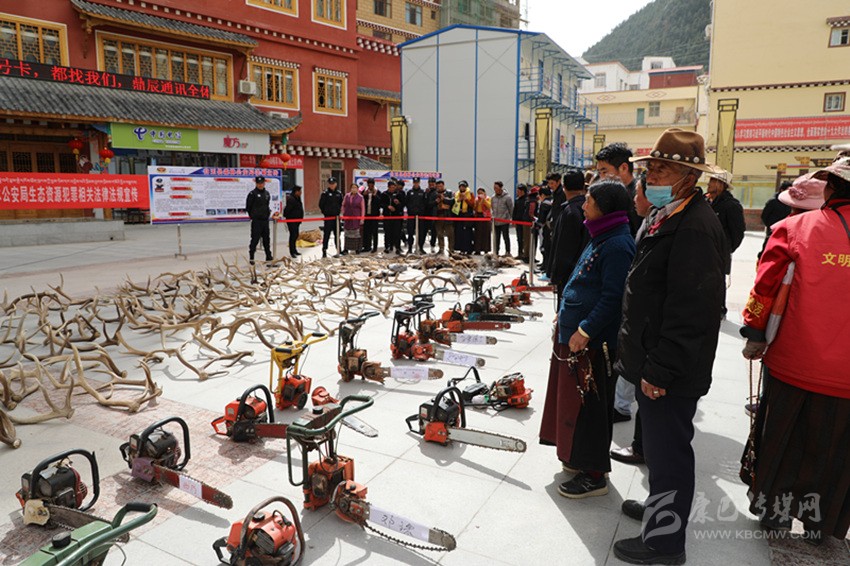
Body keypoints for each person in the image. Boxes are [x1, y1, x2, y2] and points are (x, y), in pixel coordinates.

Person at [613, 128, 726, 565]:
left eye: (662, 170)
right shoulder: (668, 214)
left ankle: (664, 543)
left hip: (671, 368)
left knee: (670, 453)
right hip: (654, 357)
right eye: (651, 169)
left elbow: (691, 310)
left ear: (688, 177)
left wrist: (661, 369)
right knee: (659, 453)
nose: (652, 177)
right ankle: (659, 509)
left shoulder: (695, 227)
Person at [739, 157, 850, 546]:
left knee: (784, 438)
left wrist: (754, 332)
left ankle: (777, 513)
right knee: (837, 449)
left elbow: (765, 287)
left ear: (830, 188)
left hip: (794, 360)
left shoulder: (794, 227)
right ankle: (823, 523)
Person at [539, 180, 636, 499]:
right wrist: (563, 314)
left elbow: (613, 298)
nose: (583, 205)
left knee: (591, 408)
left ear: (605, 208)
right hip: (577, 337)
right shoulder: (601, 234)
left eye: (590, 201)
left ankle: (594, 475)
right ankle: (577, 458)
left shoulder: (617, 245)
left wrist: (585, 330)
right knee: (574, 404)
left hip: (594, 344)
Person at [706, 166, 746, 318]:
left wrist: (727, 247)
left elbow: (738, 232)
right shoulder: (707, 201)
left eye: (712, 181)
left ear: (720, 184)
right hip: (704, 249)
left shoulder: (731, 205)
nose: (709, 184)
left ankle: (719, 309)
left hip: (719, 251)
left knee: (717, 281)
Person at [548, 170, 590, 304]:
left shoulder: (570, 212)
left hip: (569, 274)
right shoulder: (587, 207)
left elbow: (564, 248)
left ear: (564, 187)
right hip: (584, 271)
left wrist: (555, 276)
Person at [596, 142, 642, 236]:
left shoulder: (639, 195)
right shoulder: (608, 194)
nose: (602, 178)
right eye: (599, 173)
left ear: (624, 168)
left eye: (605, 172)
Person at [245, 175, 275, 264]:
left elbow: (267, 205)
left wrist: (267, 214)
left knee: (266, 239)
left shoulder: (267, 193)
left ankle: (268, 256)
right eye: (258, 183)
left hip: (265, 220)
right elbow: (248, 207)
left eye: (261, 183)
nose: (260, 185)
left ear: (264, 183)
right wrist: (253, 216)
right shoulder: (252, 194)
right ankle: (251, 257)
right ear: (256, 183)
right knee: (255, 239)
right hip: (256, 221)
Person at [758, 181, 791, 259]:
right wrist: (770, 225)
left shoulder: (790, 203)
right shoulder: (773, 202)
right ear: (782, 190)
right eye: (788, 190)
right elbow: (764, 216)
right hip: (772, 230)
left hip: (786, 230)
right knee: (768, 247)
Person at [319, 177, 342, 258]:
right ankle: (324, 250)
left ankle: (339, 250)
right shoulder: (325, 193)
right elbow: (321, 204)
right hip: (328, 217)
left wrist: (338, 211)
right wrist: (325, 212)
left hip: (336, 217)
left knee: (337, 234)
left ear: (336, 184)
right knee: (327, 235)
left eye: (333, 184)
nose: (332, 185)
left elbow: (341, 203)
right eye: (330, 184)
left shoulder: (339, 193)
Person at [534, 186, 553, 279]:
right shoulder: (553, 201)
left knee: (545, 247)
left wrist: (537, 226)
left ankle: (546, 268)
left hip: (546, 228)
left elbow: (541, 219)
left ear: (542, 195)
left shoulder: (544, 204)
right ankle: (545, 265)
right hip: (552, 228)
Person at [405, 176, 428, 254]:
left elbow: (425, 204)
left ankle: (420, 248)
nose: (416, 184)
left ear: (419, 182)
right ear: (413, 183)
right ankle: (410, 248)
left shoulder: (422, 192)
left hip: (420, 216)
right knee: (410, 233)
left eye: (417, 182)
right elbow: (407, 203)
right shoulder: (409, 192)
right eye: (414, 182)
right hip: (411, 216)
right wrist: (411, 210)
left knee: (421, 233)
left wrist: (420, 211)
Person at [382, 179, 405, 254]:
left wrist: (398, 203)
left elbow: (402, 205)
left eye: (394, 187)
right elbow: (381, 204)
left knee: (397, 232)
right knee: (387, 232)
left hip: (396, 216)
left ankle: (398, 247)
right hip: (387, 216)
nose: (393, 189)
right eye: (391, 187)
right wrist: (387, 207)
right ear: (388, 187)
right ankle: (388, 246)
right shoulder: (384, 194)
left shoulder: (399, 194)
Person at [490, 181, 513, 256]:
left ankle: (508, 252)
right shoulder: (493, 197)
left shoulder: (507, 197)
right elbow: (492, 208)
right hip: (496, 221)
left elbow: (511, 209)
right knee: (496, 238)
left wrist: (512, 219)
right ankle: (496, 252)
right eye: (494, 188)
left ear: (501, 188)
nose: (495, 189)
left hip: (504, 221)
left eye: (496, 188)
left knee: (506, 237)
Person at [341, 183, 365, 255]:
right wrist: (343, 213)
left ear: (357, 189)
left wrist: (362, 218)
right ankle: (346, 249)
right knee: (347, 233)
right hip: (348, 218)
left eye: (355, 188)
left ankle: (357, 249)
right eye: (352, 187)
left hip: (356, 218)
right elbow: (343, 205)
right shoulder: (347, 196)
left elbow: (363, 209)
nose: (353, 189)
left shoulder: (360, 197)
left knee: (356, 233)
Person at [452, 181, 475, 254]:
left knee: (467, 233)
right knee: (459, 232)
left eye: (463, 186)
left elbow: (473, 205)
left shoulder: (470, 194)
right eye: (460, 186)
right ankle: (460, 249)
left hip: (467, 216)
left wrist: (465, 199)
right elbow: (453, 205)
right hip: (459, 215)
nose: (462, 188)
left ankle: (468, 249)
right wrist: (458, 200)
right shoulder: (456, 194)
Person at [282, 185, 304, 258]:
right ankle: (292, 252)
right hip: (292, 221)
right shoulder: (291, 199)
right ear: (296, 192)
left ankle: (295, 250)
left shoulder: (297, 198)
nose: (301, 193)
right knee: (293, 235)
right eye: (299, 191)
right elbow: (287, 211)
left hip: (297, 221)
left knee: (296, 235)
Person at [362, 179, 382, 253]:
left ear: (374, 184)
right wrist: (364, 195)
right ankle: (367, 246)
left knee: (374, 232)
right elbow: (360, 200)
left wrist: (375, 195)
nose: (370, 186)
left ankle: (375, 247)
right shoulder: (364, 191)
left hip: (374, 215)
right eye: (369, 184)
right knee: (366, 231)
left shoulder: (378, 192)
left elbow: (380, 203)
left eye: (372, 185)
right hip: (366, 214)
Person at [434, 180, 455, 254]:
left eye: (441, 186)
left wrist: (444, 199)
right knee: (439, 234)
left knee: (450, 234)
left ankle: (451, 249)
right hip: (438, 216)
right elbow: (431, 204)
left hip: (448, 216)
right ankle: (441, 248)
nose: (439, 188)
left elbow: (453, 201)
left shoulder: (449, 192)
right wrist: (438, 205)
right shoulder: (435, 193)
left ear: (443, 185)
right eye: (438, 186)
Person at [473, 187, 491, 254]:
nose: (480, 194)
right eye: (478, 193)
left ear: (484, 193)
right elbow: (474, 208)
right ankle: (477, 249)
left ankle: (486, 249)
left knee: (486, 233)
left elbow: (489, 206)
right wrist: (477, 203)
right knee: (478, 233)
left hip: (486, 217)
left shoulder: (488, 198)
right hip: (478, 216)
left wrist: (484, 200)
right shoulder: (476, 199)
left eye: (481, 193)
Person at [513, 184, 529, 260]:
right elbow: (515, 211)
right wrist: (514, 220)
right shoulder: (517, 200)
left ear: (523, 191)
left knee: (525, 239)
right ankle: (520, 253)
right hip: (518, 222)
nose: (517, 192)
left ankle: (526, 254)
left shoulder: (527, 200)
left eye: (518, 191)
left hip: (525, 222)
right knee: (519, 238)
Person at [424, 177, 439, 252]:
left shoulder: (437, 192)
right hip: (426, 215)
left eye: (433, 183)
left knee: (434, 232)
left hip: (434, 214)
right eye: (430, 183)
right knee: (423, 231)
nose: (431, 185)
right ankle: (421, 247)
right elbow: (426, 204)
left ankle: (432, 246)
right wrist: (434, 202)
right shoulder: (426, 192)